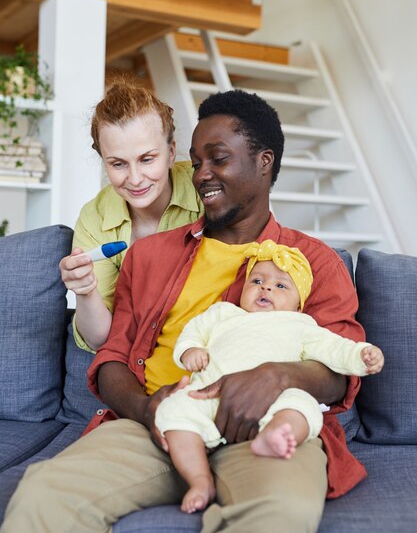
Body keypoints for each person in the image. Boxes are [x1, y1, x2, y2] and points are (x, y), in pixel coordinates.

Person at [2, 89, 368, 533]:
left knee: (281, 512)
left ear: (264, 162)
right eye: (196, 163)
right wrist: (145, 408)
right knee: (43, 497)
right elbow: (112, 356)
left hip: (268, 428)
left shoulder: (312, 260)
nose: (201, 175)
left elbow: (343, 368)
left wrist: (276, 375)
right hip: (156, 426)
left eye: (217, 159)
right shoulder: (149, 256)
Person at [155, 240, 384, 514]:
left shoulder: (300, 325)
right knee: (173, 409)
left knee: (301, 405)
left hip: (275, 399)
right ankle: (200, 480)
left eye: (281, 286)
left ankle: (276, 436)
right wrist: (189, 351)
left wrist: (361, 355)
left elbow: (333, 348)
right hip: (210, 393)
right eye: (257, 281)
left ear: (298, 305)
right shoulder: (223, 313)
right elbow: (192, 332)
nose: (265, 288)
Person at [59, 78, 204, 351]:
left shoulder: (205, 189)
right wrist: (86, 290)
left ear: (171, 153)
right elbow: (99, 338)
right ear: (104, 160)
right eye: (118, 164)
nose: (135, 179)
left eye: (147, 159)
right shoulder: (95, 218)